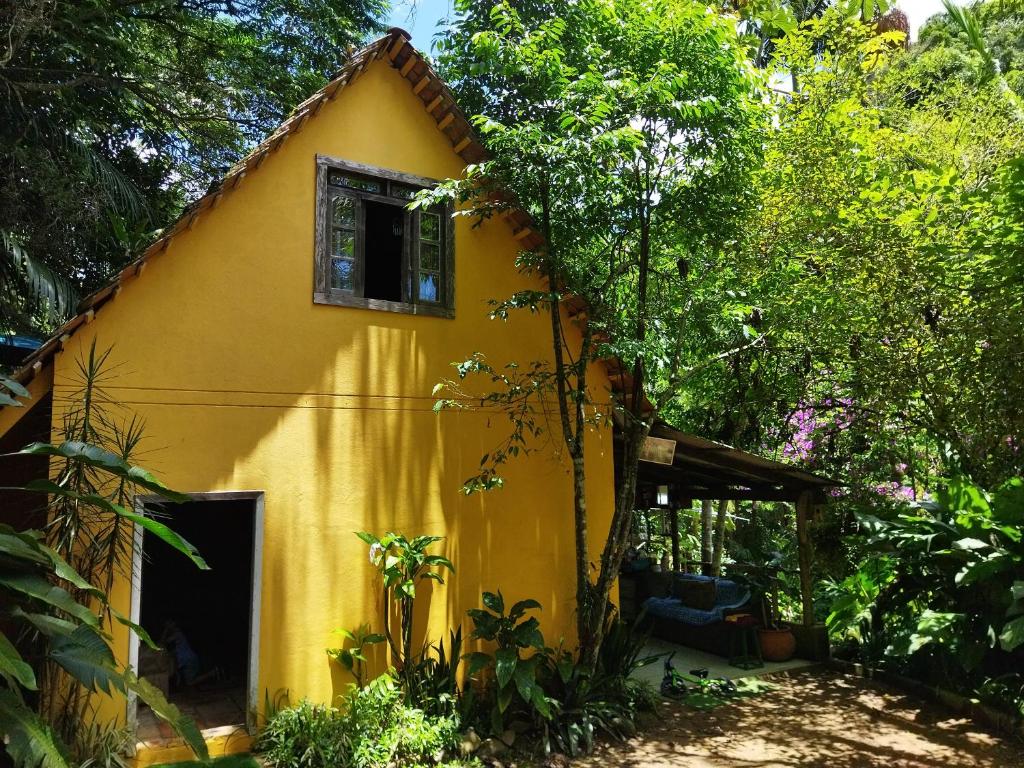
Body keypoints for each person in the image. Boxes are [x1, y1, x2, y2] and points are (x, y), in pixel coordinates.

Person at [161, 620, 219, 688]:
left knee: (189, 682)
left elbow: (162, 642)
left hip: (190, 661)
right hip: (187, 661)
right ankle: (212, 673)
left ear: (173, 623)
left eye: (168, 623)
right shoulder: (177, 638)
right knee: (186, 680)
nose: (166, 625)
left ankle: (212, 673)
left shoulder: (178, 633)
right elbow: (172, 651)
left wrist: (166, 629)